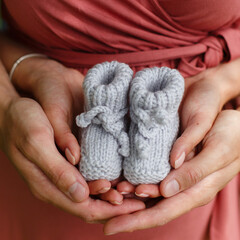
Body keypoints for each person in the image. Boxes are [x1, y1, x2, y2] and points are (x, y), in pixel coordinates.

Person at [0, 0, 240, 239]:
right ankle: (108, 101)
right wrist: (6, 105)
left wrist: (224, 83)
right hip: (32, 149)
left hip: (207, 147)